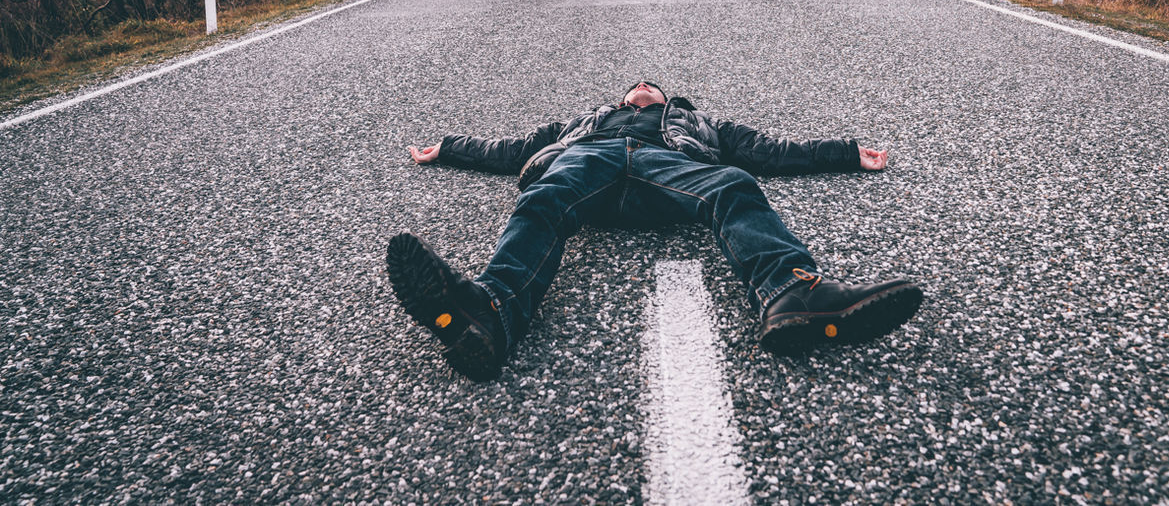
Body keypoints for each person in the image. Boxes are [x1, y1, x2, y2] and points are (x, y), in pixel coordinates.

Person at [387, 80, 922, 381]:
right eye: (634, 85)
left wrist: (848, 152)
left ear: (666, 100)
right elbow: (511, 149)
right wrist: (448, 148)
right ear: (623, 100)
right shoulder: (582, 123)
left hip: (666, 168)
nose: (643, 86)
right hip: (588, 161)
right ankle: (489, 312)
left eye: (654, 85)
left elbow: (771, 151)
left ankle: (791, 295)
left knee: (732, 182)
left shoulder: (697, 122)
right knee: (542, 196)